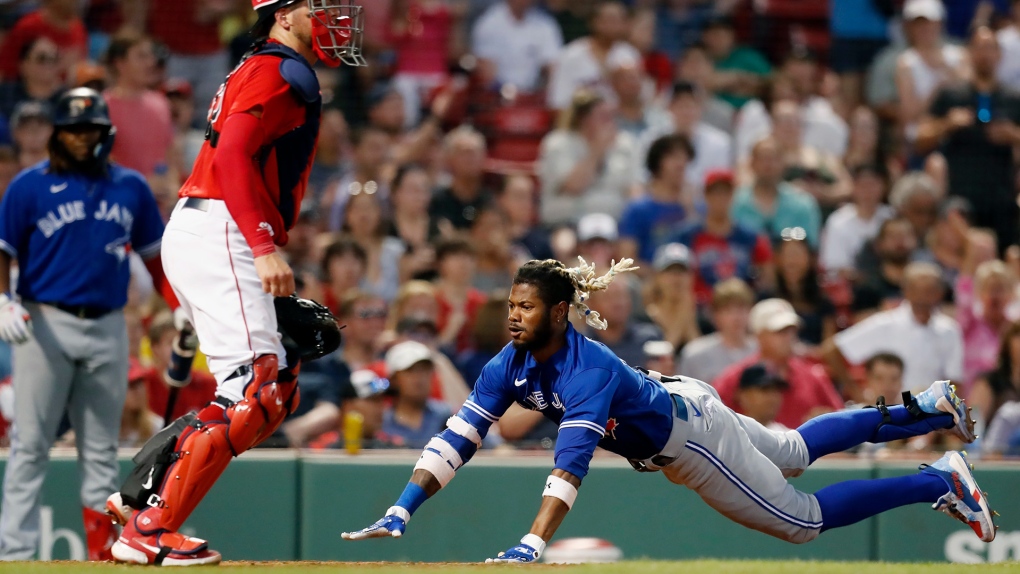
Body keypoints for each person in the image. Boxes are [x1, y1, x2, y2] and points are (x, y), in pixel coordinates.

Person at [341, 257, 994, 561]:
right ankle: (928, 409)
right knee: (793, 451)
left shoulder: (584, 365)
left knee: (801, 522)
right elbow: (457, 437)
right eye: (510, 304)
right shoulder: (503, 363)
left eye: (527, 306)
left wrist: (533, 543)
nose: (513, 315)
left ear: (560, 313)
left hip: (688, 438)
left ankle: (937, 479)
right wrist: (402, 507)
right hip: (684, 398)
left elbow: (569, 469)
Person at [103, 0, 366, 565]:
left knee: (274, 393)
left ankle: (143, 496)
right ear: (282, 14)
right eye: (317, 7)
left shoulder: (264, 66)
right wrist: (263, 245)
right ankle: (151, 526)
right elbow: (233, 159)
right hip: (224, 225)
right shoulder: (276, 69)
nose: (331, 17)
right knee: (255, 389)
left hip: (214, 228)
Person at [0, 88, 178, 562]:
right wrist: (3, 299)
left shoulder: (131, 187)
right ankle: (14, 555)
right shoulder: (28, 186)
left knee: (100, 451)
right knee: (30, 446)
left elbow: (154, 258)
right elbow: (4, 249)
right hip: (44, 323)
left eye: (92, 130)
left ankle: (102, 554)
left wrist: (178, 306)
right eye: (75, 129)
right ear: (58, 134)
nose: (83, 138)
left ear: (107, 134)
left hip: (107, 325)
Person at [916, 26, 1020, 251]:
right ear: (969, 52)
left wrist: (1014, 136)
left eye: (990, 48)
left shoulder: (1014, 99)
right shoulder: (951, 94)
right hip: (960, 197)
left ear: (999, 54)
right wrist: (947, 125)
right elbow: (920, 139)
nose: (985, 54)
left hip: (1001, 200)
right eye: (979, 48)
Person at [824, 262, 963, 395]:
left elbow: (954, 379)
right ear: (906, 291)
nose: (923, 297)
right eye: (917, 290)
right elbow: (832, 350)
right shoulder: (884, 324)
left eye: (929, 290)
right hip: (890, 411)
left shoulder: (949, 330)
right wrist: (857, 392)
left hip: (932, 412)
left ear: (939, 293)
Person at [713, 299, 844, 428]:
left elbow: (841, 419)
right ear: (760, 336)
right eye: (780, 332)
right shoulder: (735, 378)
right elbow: (711, 422)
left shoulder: (813, 376)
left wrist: (825, 424)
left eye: (792, 330)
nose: (789, 337)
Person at [538, 89, 640, 226]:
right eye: (603, 117)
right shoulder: (558, 143)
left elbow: (635, 189)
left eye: (612, 116)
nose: (610, 122)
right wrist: (597, 151)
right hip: (568, 221)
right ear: (583, 119)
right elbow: (573, 186)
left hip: (617, 222)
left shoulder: (625, 144)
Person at [674, 169, 773, 305]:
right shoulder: (687, 235)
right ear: (706, 195)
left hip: (741, 308)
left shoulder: (750, 236)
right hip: (699, 308)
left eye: (726, 193)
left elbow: (768, 276)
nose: (720, 198)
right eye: (715, 193)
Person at [102, 31, 176, 178]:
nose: (151, 63)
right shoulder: (102, 107)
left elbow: (170, 154)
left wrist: (173, 185)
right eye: (141, 56)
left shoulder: (161, 103)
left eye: (150, 56)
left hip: (159, 198)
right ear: (120, 63)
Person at [546, 0, 640, 111]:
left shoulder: (629, 54)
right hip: (578, 122)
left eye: (619, 20)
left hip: (620, 123)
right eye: (609, 19)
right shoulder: (571, 55)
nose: (614, 25)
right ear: (593, 22)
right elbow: (557, 102)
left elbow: (639, 100)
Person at [731, 138, 822, 249]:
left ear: (784, 164)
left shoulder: (802, 204)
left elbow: (810, 246)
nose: (768, 165)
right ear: (751, 163)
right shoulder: (734, 203)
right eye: (763, 159)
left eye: (774, 159)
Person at [619, 134, 694, 265]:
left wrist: (690, 209)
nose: (681, 164)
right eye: (674, 157)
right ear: (657, 162)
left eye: (684, 158)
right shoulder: (638, 209)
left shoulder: (694, 206)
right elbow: (626, 260)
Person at [819, 163, 896, 279]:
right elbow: (835, 265)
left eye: (873, 185)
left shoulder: (892, 217)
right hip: (851, 287)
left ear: (884, 186)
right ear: (853, 187)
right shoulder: (838, 220)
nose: (868, 191)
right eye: (863, 185)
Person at [471, 0, 563, 93]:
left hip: (532, 95)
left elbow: (553, 66)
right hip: (497, 95)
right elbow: (487, 72)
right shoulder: (489, 23)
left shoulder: (546, 24)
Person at [678, 278, 758, 384]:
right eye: (728, 310)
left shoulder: (762, 349)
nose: (736, 317)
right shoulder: (695, 354)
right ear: (715, 315)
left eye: (741, 308)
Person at [381, 340, 452, 449]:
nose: (419, 378)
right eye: (410, 371)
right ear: (394, 379)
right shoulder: (382, 422)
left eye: (425, 370)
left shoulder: (447, 416)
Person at [734, 363, 789, 431]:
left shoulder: (785, 437)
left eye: (776, 390)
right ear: (744, 396)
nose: (772, 398)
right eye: (765, 389)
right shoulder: (728, 433)